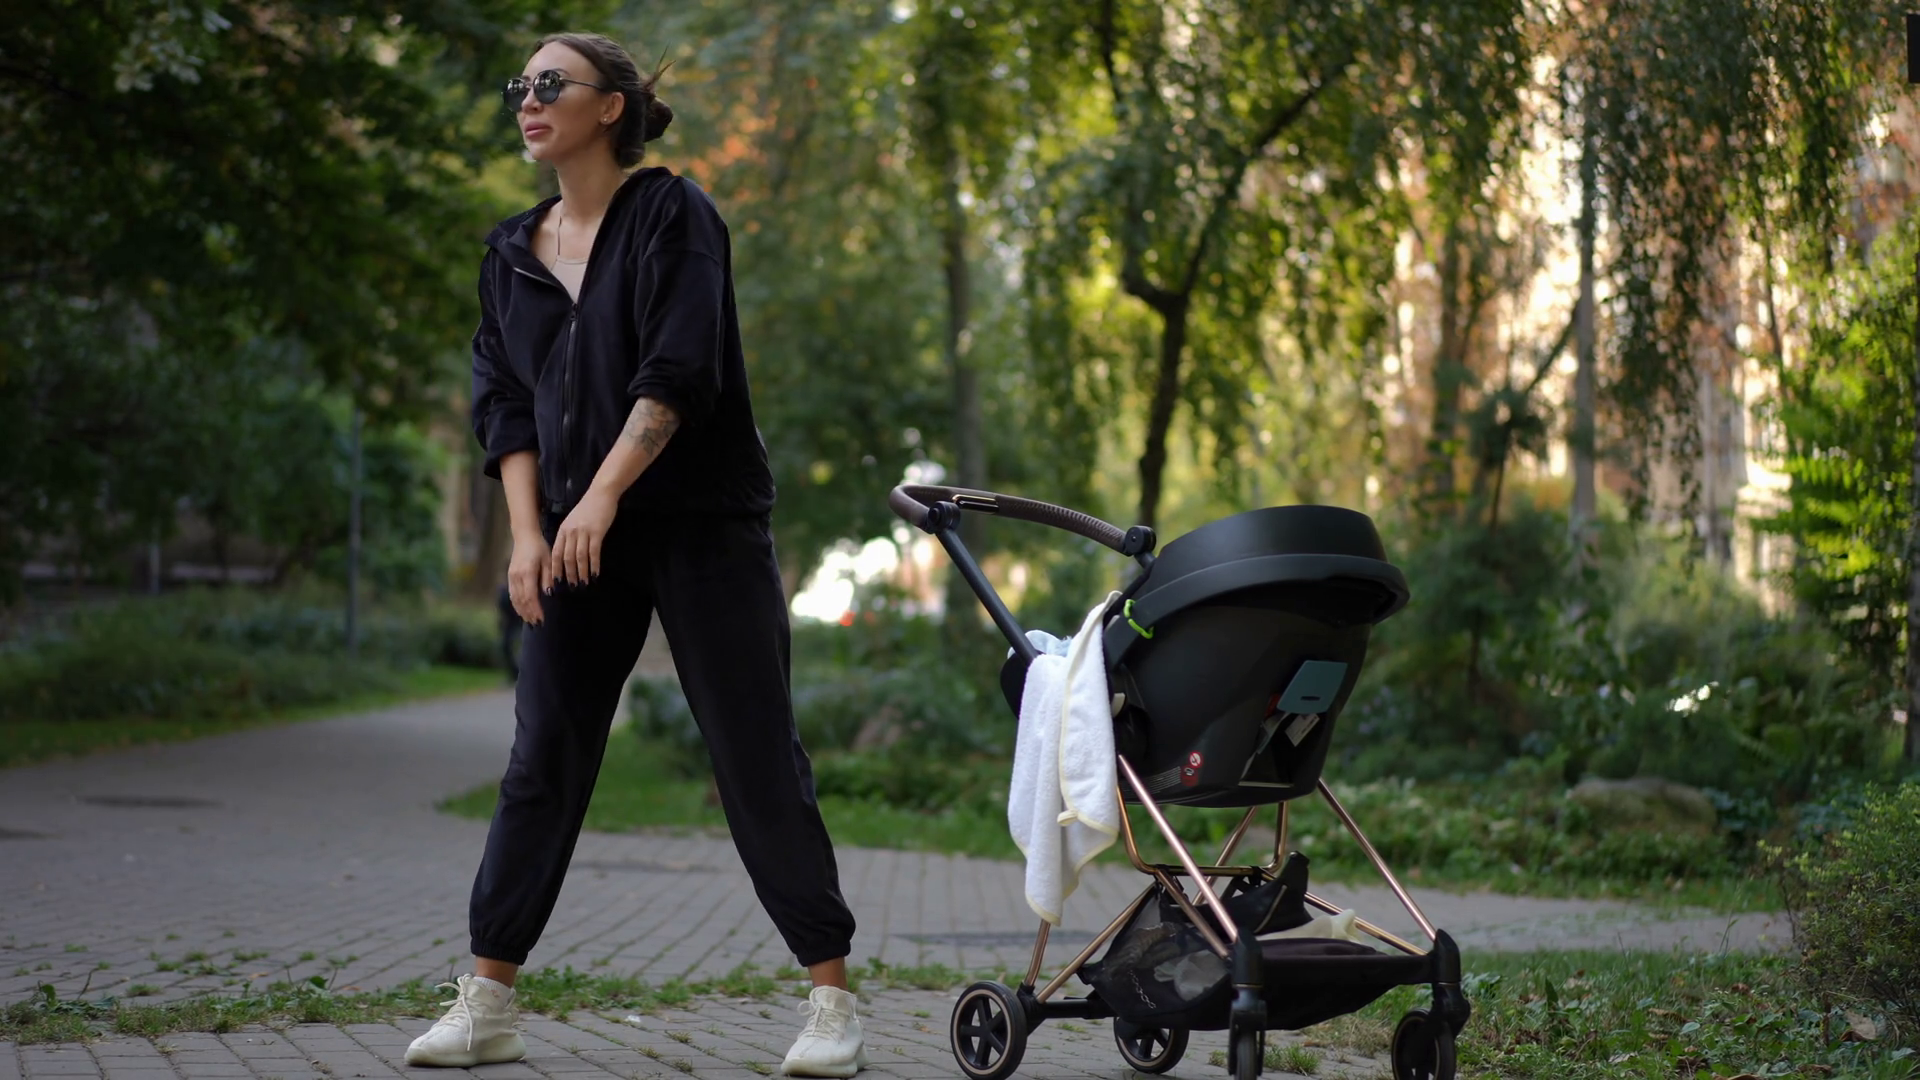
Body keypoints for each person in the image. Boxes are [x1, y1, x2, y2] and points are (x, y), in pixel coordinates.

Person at [404, 32, 865, 1077]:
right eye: (520, 86)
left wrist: (604, 495)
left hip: (701, 524)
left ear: (610, 106)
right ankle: (489, 1002)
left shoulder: (672, 213)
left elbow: (679, 372)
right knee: (543, 760)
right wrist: (529, 534)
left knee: (754, 755)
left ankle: (832, 1002)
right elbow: (504, 405)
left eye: (551, 84)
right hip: (573, 536)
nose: (528, 100)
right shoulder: (510, 253)